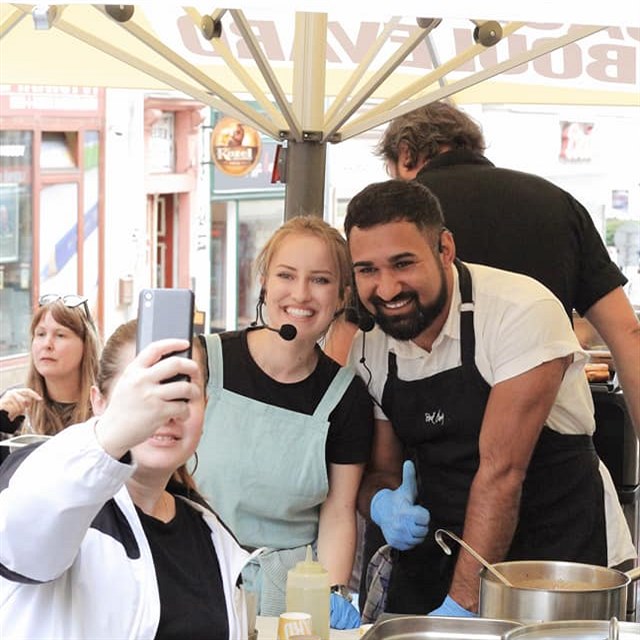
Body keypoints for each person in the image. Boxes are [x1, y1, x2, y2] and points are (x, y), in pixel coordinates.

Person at [344, 179, 635, 616]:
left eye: (403, 263)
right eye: (367, 270)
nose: (386, 290)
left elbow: (501, 472)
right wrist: (384, 505)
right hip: (437, 564)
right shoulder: (370, 348)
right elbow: (381, 471)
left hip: (556, 568)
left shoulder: (520, 311)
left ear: (445, 248)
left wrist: (460, 613)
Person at [326, 101, 640, 438]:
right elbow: (627, 334)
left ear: (405, 155)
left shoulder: (396, 222)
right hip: (549, 432)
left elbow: (347, 344)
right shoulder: (557, 203)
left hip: (425, 448)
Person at [0, 319, 252, 639]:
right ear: (99, 402)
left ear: (205, 408)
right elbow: (18, 537)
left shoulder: (211, 534)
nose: (165, 411)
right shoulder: (56, 490)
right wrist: (112, 433)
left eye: (182, 393)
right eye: (144, 392)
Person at [195, 216, 372, 628]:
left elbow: (338, 512)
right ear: (265, 283)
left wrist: (330, 592)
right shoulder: (205, 363)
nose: (301, 294)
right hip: (196, 571)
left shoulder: (346, 397)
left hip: (289, 598)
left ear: (343, 294)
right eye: (286, 275)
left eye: (321, 280)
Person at [0, 294, 100, 438]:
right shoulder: (14, 406)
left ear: (86, 345)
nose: (47, 344)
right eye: (40, 334)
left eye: (60, 335)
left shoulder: (105, 407)